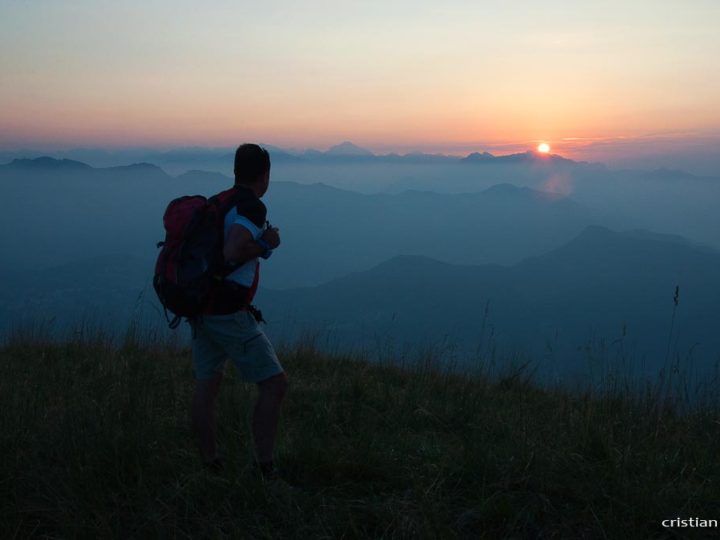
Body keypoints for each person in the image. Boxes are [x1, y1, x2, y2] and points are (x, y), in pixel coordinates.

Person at [190, 143, 288, 482]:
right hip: (228, 311)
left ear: (235, 171)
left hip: (201, 305)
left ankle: (210, 464)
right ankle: (265, 470)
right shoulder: (252, 207)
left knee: (208, 382)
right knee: (275, 383)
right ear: (265, 175)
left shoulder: (221, 201)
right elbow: (233, 250)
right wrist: (267, 243)